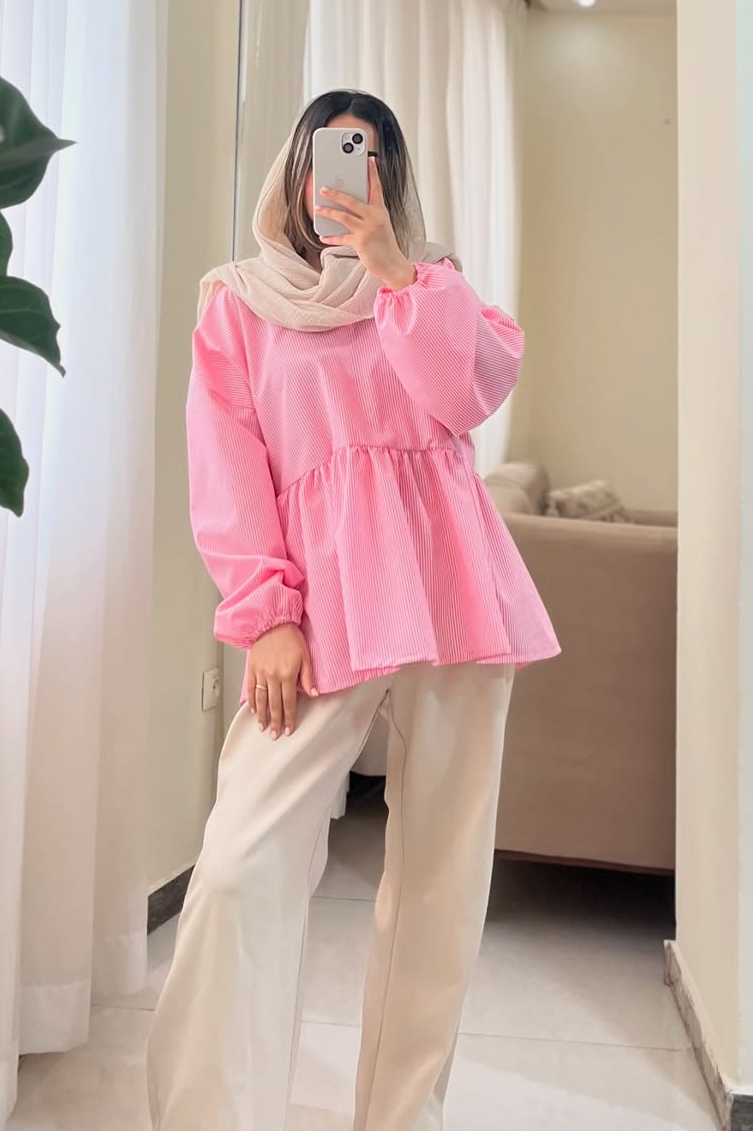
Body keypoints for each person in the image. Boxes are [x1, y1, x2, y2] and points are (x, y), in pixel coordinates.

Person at [146, 91, 559, 1130]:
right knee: (239, 866)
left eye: (365, 159)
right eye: (328, 156)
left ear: (389, 179)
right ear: (295, 171)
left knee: (438, 887)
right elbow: (228, 469)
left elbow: (466, 396)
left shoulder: (432, 284)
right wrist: (266, 613)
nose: (339, 179)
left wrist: (393, 269)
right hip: (323, 605)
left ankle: (402, 1116)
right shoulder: (237, 303)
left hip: (453, 590)